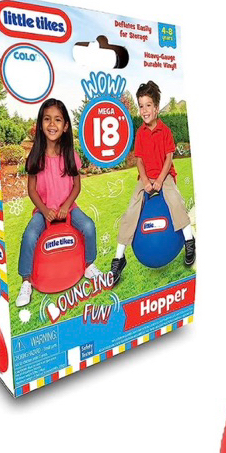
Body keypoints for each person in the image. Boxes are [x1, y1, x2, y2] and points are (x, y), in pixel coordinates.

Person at [16, 99, 100, 307]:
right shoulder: (35, 156)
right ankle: (26, 281)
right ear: (40, 124)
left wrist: (66, 206)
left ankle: (89, 265)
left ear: (65, 126)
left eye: (57, 120)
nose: (52, 124)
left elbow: (76, 186)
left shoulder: (70, 154)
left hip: (69, 208)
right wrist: (44, 211)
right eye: (47, 119)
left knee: (88, 226)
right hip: (43, 211)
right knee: (29, 235)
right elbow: (32, 190)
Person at [110, 81, 195, 285]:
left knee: (175, 200)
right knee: (131, 210)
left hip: (164, 175)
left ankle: (189, 240)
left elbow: (168, 158)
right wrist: (146, 181)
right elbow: (139, 161)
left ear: (156, 108)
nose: (144, 110)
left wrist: (160, 180)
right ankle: (119, 258)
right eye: (141, 106)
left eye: (148, 105)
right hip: (146, 178)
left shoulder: (165, 131)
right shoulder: (140, 133)